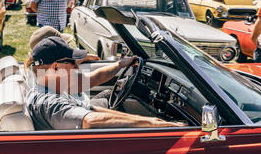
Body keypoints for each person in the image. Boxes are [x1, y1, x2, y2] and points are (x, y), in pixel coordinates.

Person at [24, 37, 185, 130]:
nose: (76, 66)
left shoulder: (48, 88)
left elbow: (89, 108)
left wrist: (155, 122)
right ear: (56, 67)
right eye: (73, 62)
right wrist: (152, 123)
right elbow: (90, 120)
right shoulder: (50, 102)